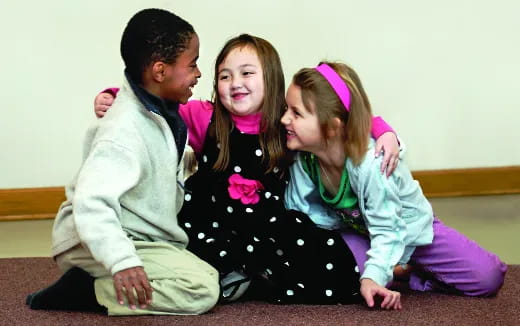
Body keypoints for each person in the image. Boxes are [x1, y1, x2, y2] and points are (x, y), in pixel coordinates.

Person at [93, 34, 401, 305]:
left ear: (271, 78)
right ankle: (241, 277)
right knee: (193, 260)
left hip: (270, 224)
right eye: (225, 76)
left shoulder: (287, 119)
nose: (235, 83)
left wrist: (384, 130)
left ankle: (251, 278)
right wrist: (114, 97)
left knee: (332, 262)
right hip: (214, 222)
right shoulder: (206, 116)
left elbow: (342, 114)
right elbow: (158, 103)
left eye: (247, 73)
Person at [25, 8, 219, 315]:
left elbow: (159, 164)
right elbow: (92, 202)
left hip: (138, 232)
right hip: (94, 236)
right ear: (160, 71)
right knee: (202, 290)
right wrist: (122, 261)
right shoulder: (123, 130)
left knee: (209, 273)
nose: (198, 73)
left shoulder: (161, 112)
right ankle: (89, 290)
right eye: (192, 64)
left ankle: (96, 280)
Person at [283, 61, 508, 310]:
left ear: (332, 127)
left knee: (488, 278)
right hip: (361, 234)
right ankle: (395, 270)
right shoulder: (306, 159)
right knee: (340, 276)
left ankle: (399, 269)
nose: (284, 119)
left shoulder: (370, 164)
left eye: (296, 113)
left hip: (407, 230)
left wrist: (372, 276)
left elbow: (390, 229)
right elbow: (302, 212)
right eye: (286, 109)